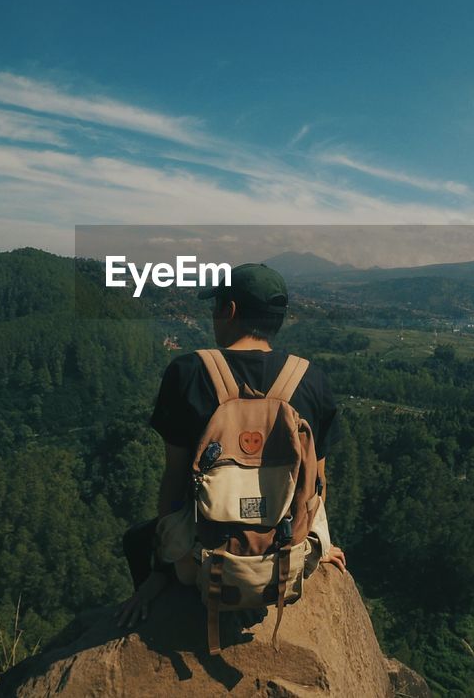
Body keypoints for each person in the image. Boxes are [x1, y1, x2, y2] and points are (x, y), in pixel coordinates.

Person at [117, 262, 346, 628]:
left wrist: (160, 568)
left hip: (202, 564)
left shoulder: (188, 372)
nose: (213, 315)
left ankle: (161, 590)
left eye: (216, 306)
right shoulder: (311, 379)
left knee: (135, 540)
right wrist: (320, 542)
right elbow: (317, 482)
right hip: (286, 562)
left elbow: (175, 480)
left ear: (230, 310)